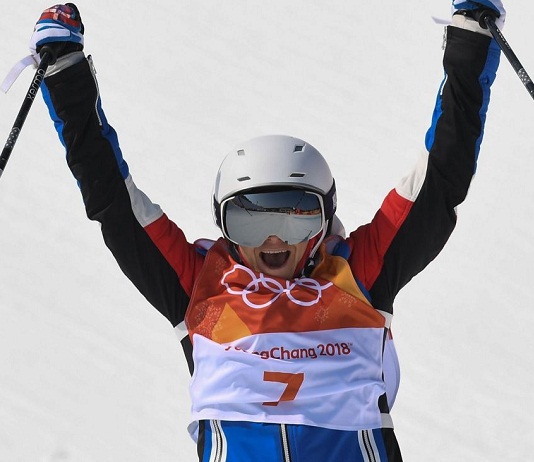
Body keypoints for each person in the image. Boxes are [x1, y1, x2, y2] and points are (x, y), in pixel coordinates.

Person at [23, 1, 504, 460]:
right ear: (224, 226)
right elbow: (113, 200)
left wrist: (470, 42)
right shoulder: (201, 292)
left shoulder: (358, 277)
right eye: (251, 220)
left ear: (323, 221)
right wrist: (66, 75)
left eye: (295, 217)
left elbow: (439, 180)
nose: (273, 241)